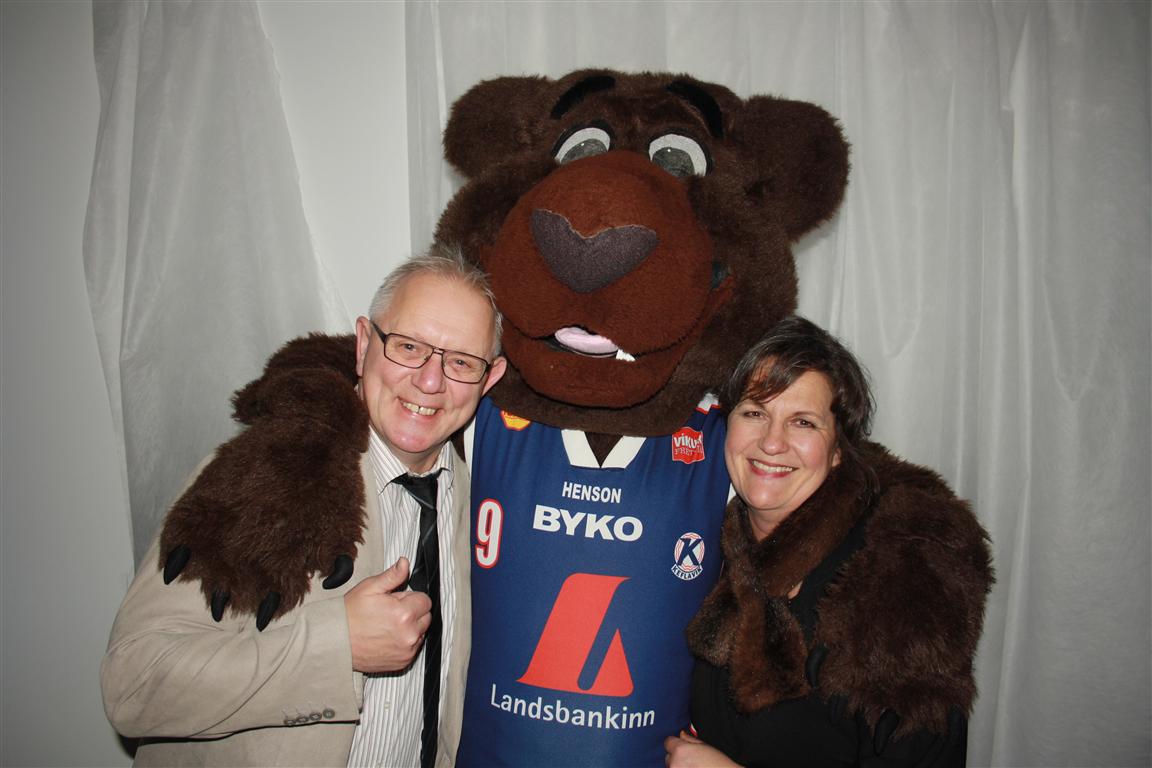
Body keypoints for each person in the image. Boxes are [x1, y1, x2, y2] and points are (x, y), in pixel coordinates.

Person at [101, 243, 506, 767]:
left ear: (489, 378)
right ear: (364, 345)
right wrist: (338, 647)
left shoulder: (484, 508)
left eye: (462, 362)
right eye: (408, 347)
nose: (430, 381)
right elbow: (134, 685)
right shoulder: (266, 475)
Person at [665, 316, 992, 768]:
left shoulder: (897, 584)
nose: (772, 443)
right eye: (755, 413)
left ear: (838, 450)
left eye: (802, 422)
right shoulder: (708, 547)